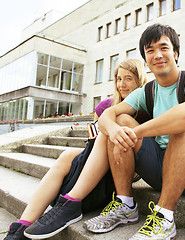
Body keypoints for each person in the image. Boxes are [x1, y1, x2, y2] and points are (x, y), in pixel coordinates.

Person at [21, 23, 185, 240]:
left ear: (176, 53)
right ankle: (125, 205)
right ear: (146, 59)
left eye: (164, 48)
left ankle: (164, 218)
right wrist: (114, 131)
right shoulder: (147, 91)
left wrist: (137, 132)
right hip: (160, 168)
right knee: (120, 120)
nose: (158, 55)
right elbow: (107, 116)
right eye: (150, 50)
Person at [4, 58, 148, 240]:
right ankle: (20, 228)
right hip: (99, 164)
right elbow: (95, 143)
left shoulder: (145, 109)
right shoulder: (105, 106)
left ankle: (70, 203)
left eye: (128, 78)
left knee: (109, 127)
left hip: (125, 167)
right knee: (66, 155)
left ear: (139, 80)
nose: (122, 84)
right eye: (118, 79)